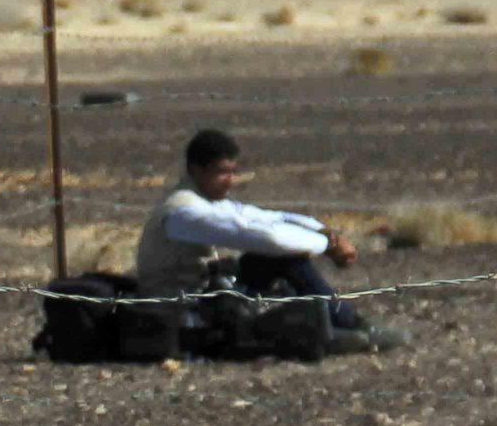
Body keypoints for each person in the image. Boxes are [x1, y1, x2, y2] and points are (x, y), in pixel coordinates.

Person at [135, 128, 406, 353]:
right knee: (282, 258)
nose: (230, 181)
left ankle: (335, 327)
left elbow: (266, 218)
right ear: (195, 170)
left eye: (232, 172)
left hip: (208, 295)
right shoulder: (184, 211)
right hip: (181, 308)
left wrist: (325, 233)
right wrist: (327, 247)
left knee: (266, 262)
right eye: (221, 173)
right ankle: (347, 326)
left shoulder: (207, 201)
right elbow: (264, 237)